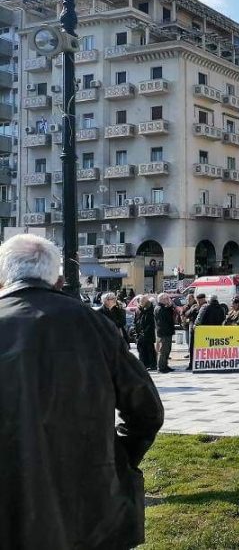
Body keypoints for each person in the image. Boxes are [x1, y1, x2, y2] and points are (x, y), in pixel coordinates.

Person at [0, 234, 164, 550]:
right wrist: (116, 458)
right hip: (91, 504)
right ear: (58, 280)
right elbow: (147, 412)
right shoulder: (94, 324)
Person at [154, 292, 177, 373]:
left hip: (167, 332)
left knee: (167, 350)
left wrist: (170, 306)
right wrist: (169, 306)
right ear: (161, 299)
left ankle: (165, 365)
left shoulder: (163, 307)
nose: (168, 300)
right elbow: (167, 317)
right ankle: (161, 367)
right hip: (164, 333)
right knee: (163, 350)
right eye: (166, 298)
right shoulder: (160, 308)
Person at [133, 294, 157, 370]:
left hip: (148, 333)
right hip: (139, 333)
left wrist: (145, 332)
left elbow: (151, 322)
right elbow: (136, 321)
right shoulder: (138, 309)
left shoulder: (150, 309)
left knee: (150, 349)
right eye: (141, 301)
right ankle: (143, 365)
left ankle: (152, 365)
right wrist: (136, 331)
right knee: (141, 350)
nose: (142, 302)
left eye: (143, 301)